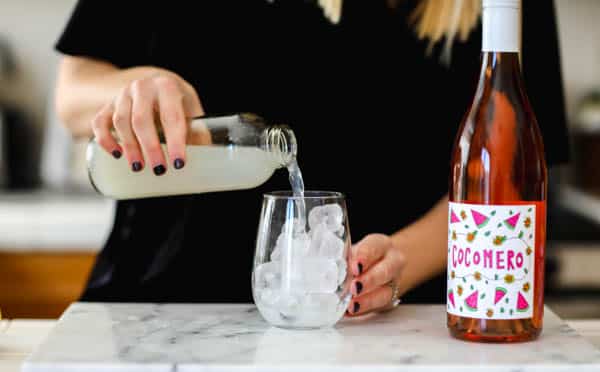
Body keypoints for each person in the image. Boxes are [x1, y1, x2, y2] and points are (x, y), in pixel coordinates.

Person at [54, 0, 568, 315]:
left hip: (389, 335)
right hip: (159, 314)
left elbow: (513, 175)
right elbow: (72, 92)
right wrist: (138, 89)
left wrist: (399, 262)